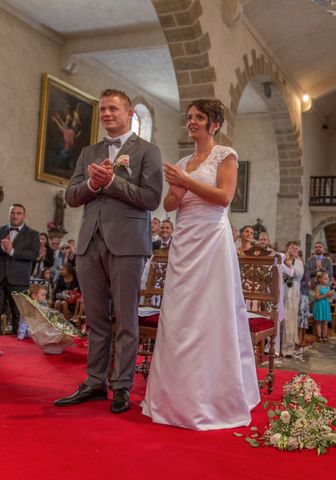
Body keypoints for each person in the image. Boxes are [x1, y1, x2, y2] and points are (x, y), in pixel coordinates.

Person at [141, 99, 258, 430]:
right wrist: (176, 191)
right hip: (185, 240)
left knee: (209, 312)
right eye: (190, 117)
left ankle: (212, 396)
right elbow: (169, 204)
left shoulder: (226, 155)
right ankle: (173, 395)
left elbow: (224, 197)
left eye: (199, 118)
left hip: (211, 239)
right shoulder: (183, 161)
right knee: (179, 313)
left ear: (214, 125)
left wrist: (186, 181)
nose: (191, 122)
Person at [55, 89, 163, 414]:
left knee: (126, 318)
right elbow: (71, 196)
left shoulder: (147, 150)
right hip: (90, 240)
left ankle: (122, 386)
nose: (106, 114)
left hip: (128, 243)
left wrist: (112, 181)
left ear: (129, 113)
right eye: (102, 109)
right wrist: (91, 185)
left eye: (113, 109)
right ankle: (94, 381)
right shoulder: (89, 150)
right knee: (97, 318)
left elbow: (151, 198)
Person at [0, 204, 40, 335]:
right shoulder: (1, 230)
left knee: (18, 314)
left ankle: (17, 348)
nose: (15, 216)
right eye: (12, 213)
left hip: (18, 279)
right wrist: (2, 248)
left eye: (18, 213)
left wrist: (12, 251)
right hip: (0, 277)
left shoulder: (33, 234)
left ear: (24, 216)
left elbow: (33, 255)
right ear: (9, 214)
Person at [281, 241, 304, 357]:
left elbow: (298, 274)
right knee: (279, 320)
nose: (294, 250)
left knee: (289, 321)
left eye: (296, 248)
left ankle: (288, 349)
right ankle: (274, 347)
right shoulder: (280, 259)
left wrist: (289, 265)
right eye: (292, 248)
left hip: (292, 295)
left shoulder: (298, 262)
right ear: (287, 248)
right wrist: (284, 262)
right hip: (280, 293)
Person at [313, 271, 333, 342]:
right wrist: (326, 295)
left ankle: (324, 335)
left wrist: (332, 296)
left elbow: (330, 298)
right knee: (318, 321)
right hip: (319, 305)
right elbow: (316, 297)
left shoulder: (328, 287)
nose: (326, 280)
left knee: (325, 322)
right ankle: (319, 336)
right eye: (324, 278)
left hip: (325, 305)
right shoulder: (318, 287)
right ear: (320, 279)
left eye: (327, 279)